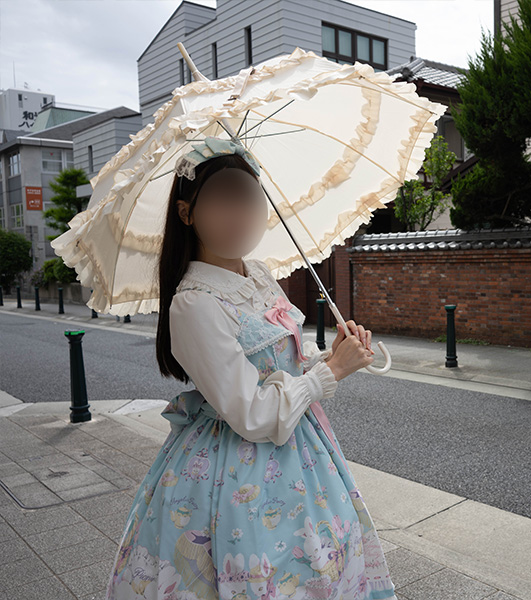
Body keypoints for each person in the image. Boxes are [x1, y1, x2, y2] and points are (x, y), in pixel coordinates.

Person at [105, 137, 397, 599]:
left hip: (303, 449)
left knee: (322, 567)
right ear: (187, 213)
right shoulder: (194, 304)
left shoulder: (259, 275)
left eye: (249, 198)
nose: (240, 213)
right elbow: (253, 414)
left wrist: (331, 358)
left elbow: (283, 367)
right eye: (223, 200)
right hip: (232, 470)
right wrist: (330, 373)